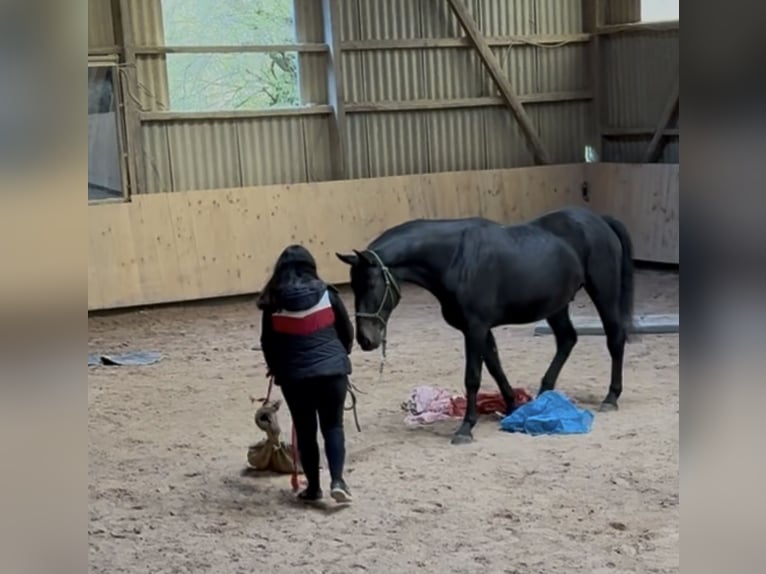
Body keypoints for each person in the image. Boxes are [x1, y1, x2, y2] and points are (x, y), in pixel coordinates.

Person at [257, 244, 354, 503]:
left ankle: (313, 488)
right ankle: (338, 480)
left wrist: (276, 367)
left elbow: (268, 342)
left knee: (306, 430)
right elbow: (347, 332)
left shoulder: (273, 302)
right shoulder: (328, 294)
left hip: (295, 377)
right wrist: (339, 358)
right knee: (333, 426)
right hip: (333, 372)